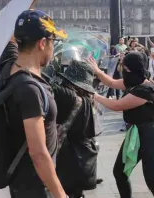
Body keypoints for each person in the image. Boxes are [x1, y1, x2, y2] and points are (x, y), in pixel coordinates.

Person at [0, 9, 68, 198]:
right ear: (43, 43)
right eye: (54, 42)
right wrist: (60, 194)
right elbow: (37, 153)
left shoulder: (7, 65)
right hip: (35, 186)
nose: (54, 49)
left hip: (21, 183)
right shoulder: (31, 90)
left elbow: (12, 38)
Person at [87, 52, 154, 198]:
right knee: (120, 172)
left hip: (152, 135)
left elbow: (117, 105)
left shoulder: (146, 89)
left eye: (124, 66)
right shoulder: (134, 81)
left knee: (153, 180)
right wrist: (97, 70)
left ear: (131, 68)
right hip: (136, 133)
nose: (122, 69)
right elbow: (111, 83)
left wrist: (94, 96)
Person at [53, 60, 99, 198]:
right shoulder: (86, 99)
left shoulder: (67, 96)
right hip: (81, 160)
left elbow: (49, 86)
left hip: (67, 160)